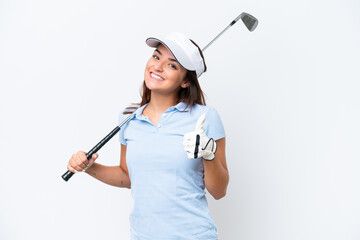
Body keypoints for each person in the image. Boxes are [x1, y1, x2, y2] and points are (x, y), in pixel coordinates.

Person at [67, 32, 229, 239]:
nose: (158, 67)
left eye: (172, 65)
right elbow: (128, 177)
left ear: (186, 82)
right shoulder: (128, 118)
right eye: (156, 56)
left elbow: (219, 190)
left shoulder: (206, 118)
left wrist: (209, 155)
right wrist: (89, 167)